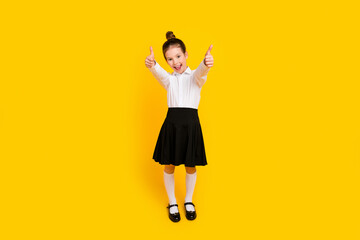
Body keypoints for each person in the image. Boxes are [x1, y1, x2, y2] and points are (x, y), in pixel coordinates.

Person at [145, 31, 214, 222]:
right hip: (172, 126)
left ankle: (189, 200)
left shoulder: (196, 78)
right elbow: (158, 72)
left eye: (178, 56)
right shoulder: (169, 80)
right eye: (169, 59)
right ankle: (173, 202)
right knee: (170, 165)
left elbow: (201, 71)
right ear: (166, 61)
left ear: (186, 55)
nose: (175, 61)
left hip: (191, 126)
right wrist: (153, 65)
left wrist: (206, 63)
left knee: (190, 166)